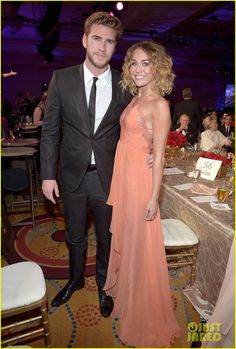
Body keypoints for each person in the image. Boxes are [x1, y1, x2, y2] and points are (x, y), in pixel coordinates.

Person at [40, 12, 132, 316]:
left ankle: (105, 287)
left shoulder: (124, 83)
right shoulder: (62, 78)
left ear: (115, 46)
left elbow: (132, 130)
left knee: (107, 237)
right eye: (96, 38)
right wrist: (47, 175)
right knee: (75, 236)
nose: (102, 46)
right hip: (71, 176)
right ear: (84, 39)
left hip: (108, 177)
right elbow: (50, 130)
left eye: (109, 41)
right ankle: (75, 279)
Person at [104, 40, 182, 347]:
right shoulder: (136, 98)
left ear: (157, 67)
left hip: (140, 185)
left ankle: (144, 315)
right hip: (125, 179)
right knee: (127, 243)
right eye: (133, 63)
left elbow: (160, 156)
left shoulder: (159, 104)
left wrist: (153, 198)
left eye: (145, 63)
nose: (138, 69)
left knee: (140, 247)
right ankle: (130, 296)